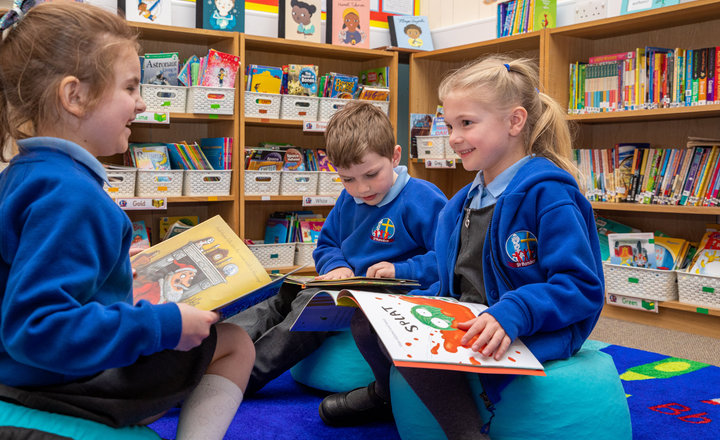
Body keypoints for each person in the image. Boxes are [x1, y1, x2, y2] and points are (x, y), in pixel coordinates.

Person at [0, 3, 254, 439]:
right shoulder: (72, 194)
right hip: (53, 381)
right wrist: (165, 326)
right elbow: (36, 327)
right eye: (131, 87)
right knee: (234, 342)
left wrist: (114, 268)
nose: (141, 102)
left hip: (18, 371)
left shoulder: (28, 172)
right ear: (75, 97)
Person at [319, 55, 605, 439]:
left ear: (515, 122)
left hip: (533, 324)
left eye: (466, 123)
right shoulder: (462, 202)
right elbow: (450, 274)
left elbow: (581, 287)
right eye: (449, 125)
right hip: (472, 315)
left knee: (422, 357)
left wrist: (514, 312)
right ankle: (388, 395)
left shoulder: (549, 194)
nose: (453, 138)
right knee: (369, 323)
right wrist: (407, 306)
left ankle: (468, 434)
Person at [231, 101, 447, 395]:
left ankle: (238, 377)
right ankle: (211, 351)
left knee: (311, 309)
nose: (362, 189)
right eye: (348, 179)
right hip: (348, 287)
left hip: (393, 296)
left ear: (395, 156)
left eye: (371, 175)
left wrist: (401, 269)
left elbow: (448, 258)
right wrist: (337, 266)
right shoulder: (349, 200)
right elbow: (328, 244)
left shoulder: (423, 198)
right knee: (282, 295)